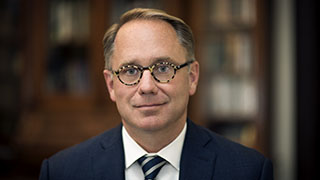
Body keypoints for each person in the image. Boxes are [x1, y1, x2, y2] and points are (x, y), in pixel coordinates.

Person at [39, 8, 273, 180]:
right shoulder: (62, 172)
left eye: (163, 68)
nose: (147, 86)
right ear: (111, 85)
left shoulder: (248, 171)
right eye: (130, 71)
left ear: (192, 77)